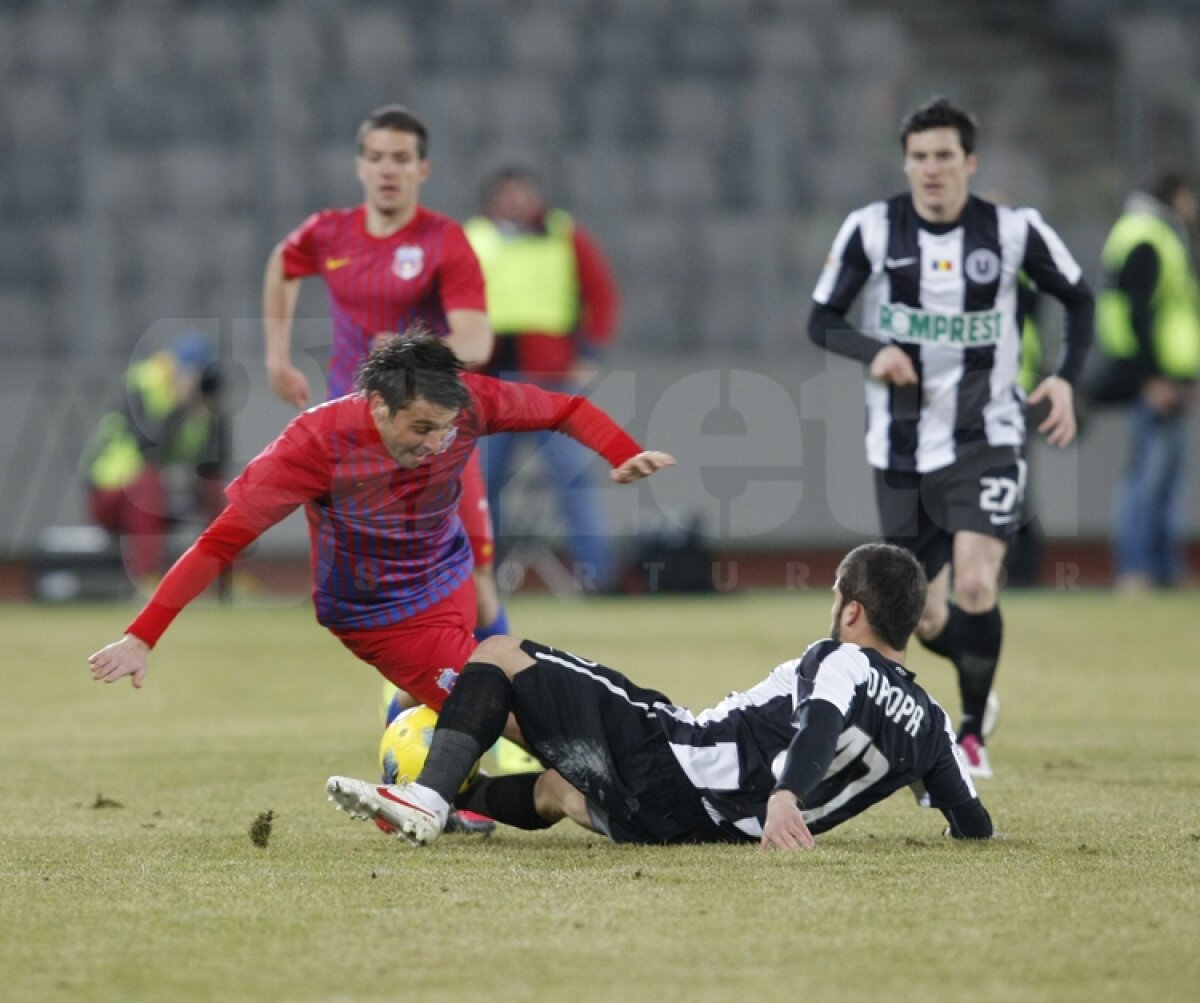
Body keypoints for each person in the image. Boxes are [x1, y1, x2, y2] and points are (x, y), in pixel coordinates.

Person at [88, 333, 675, 709]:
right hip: (379, 613)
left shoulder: (465, 402)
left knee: (488, 680)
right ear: (376, 406)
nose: (437, 443)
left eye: (446, 429)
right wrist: (143, 636)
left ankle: (421, 751)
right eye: (422, 429)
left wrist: (621, 449)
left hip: (448, 578)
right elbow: (218, 543)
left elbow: (564, 406)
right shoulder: (313, 445)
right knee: (514, 710)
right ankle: (444, 791)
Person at [325, 543, 994, 848]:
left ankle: (428, 795)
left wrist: (788, 792)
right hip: (698, 832)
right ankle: (454, 804)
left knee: (500, 655)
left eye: (833, 599)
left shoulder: (840, 659)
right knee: (559, 788)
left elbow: (819, 722)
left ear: (852, 611)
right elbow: (973, 822)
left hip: (676, 758)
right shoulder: (931, 723)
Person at [806, 97, 1094, 779]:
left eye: (943, 156)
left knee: (974, 580)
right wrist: (872, 350)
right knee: (923, 615)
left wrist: (1063, 378)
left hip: (986, 433)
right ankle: (977, 683)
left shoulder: (1014, 232)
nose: (931, 169)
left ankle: (969, 734)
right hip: (900, 447)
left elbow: (1078, 296)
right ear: (905, 163)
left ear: (969, 162)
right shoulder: (872, 228)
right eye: (919, 157)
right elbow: (822, 319)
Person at [260, 104, 509, 642]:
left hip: (436, 434)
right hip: (356, 439)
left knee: (478, 576)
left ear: (423, 169)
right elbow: (283, 263)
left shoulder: (444, 241)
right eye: (375, 158)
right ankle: (421, 697)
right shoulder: (329, 233)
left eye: (400, 158)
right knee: (383, 587)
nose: (387, 169)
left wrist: (412, 354)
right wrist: (276, 356)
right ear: (360, 167)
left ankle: (501, 697)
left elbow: (476, 339)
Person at [464, 166, 622, 591]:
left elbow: (601, 295)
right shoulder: (472, 238)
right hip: (490, 381)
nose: (514, 202)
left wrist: (590, 353)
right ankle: (479, 584)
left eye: (521, 193)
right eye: (506, 194)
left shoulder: (564, 236)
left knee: (573, 477)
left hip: (549, 379)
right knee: (479, 485)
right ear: (491, 200)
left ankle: (597, 577)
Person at [1092, 168, 1200, 590]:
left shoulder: (1155, 234)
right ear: (1177, 196)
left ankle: (1163, 569)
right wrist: (1151, 377)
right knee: (1148, 477)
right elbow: (1136, 313)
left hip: (1170, 376)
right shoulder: (1148, 237)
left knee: (1166, 479)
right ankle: (1135, 568)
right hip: (1154, 378)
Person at [82, 332, 224, 582]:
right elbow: (148, 448)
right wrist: (179, 406)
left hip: (161, 496)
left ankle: (224, 574)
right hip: (109, 494)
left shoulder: (203, 399)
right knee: (148, 479)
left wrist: (210, 415)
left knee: (212, 485)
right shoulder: (141, 383)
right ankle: (147, 577)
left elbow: (213, 464)